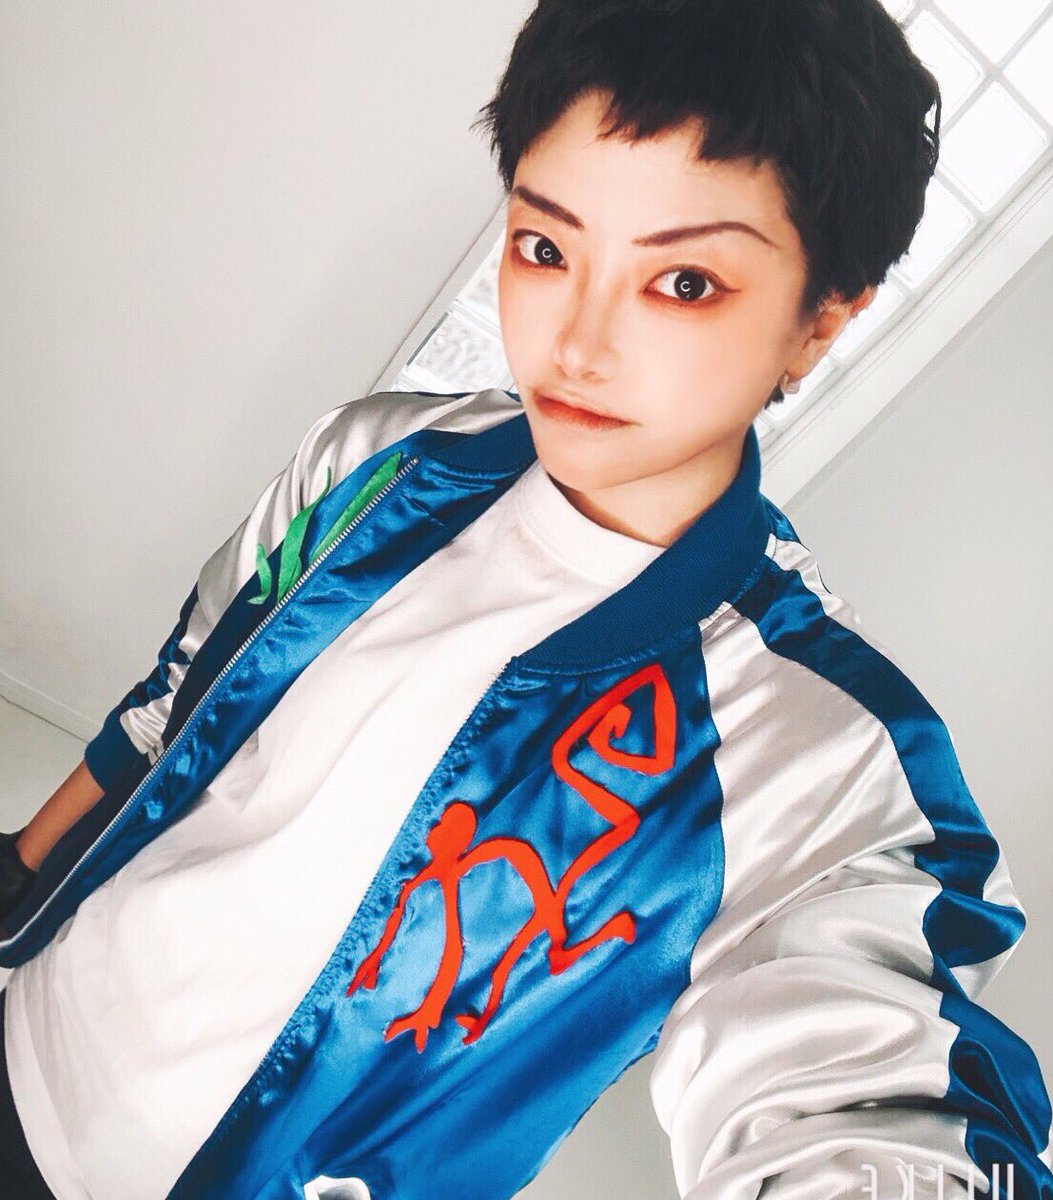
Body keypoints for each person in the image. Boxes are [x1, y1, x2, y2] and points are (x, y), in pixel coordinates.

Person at [1, 1, 1051, 1197]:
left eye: (685, 282)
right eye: (546, 249)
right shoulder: (372, 459)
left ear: (820, 319)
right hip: (35, 1008)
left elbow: (868, 1104)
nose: (577, 344)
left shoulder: (815, 753)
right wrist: (22, 869)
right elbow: (176, 701)